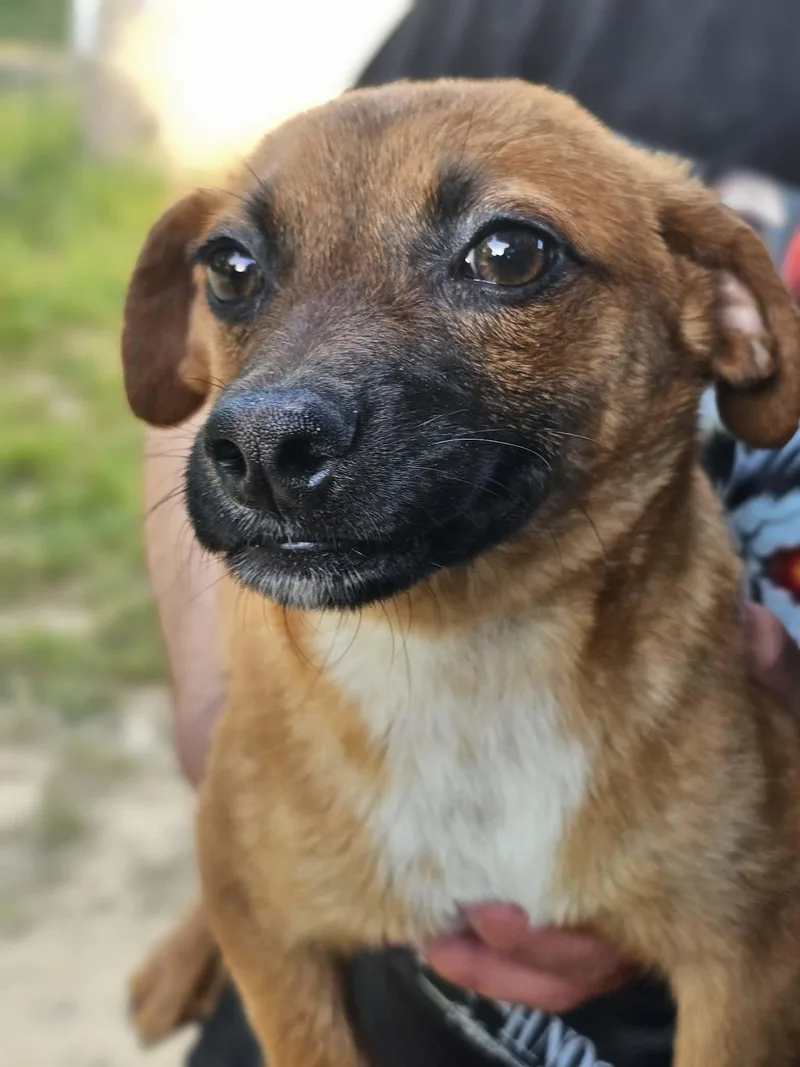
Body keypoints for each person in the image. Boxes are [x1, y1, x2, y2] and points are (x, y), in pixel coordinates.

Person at [141, 2, 800, 1064]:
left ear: (718, 308)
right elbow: (184, 416)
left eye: (502, 256)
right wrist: (226, 737)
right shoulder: (510, 17)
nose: (265, 423)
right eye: (240, 272)